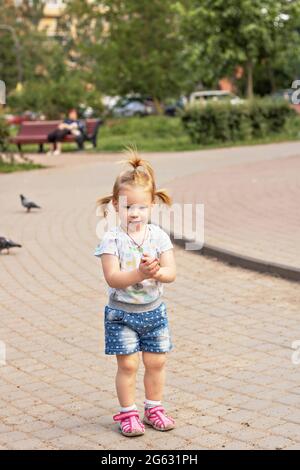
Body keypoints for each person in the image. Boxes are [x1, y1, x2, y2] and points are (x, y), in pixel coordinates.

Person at [94, 148, 176, 437]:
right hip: (122, 314)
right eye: (129, 207)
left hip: (155, 312)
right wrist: (139, 274)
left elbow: (171, 273)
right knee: (128, 365)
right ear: (116, 205)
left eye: (142, 207)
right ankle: (128, 414)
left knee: (156, 362)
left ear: (151, 205)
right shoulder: (111, 239)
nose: (136, 213)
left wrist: (156, 272)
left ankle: (154, 409)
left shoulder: (158, 236)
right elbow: (113, 278)